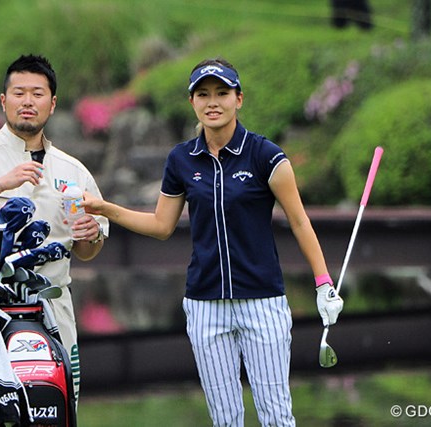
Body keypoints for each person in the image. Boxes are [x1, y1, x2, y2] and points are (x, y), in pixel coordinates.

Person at [82, 58, 343, 426]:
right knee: (225, 418)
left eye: (222, 92)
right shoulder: (181, 160)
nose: (213, 101)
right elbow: (161, 225)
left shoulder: (265, 155)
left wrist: (322, 283)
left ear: (239, 99)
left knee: (276, 415)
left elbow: (300, 221)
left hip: (262, 301)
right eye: (203, 94)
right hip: (205, 305)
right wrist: (106, 209)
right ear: (192, 102)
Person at [0, 54, 108, 418]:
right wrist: (1, 183)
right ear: (3, 100)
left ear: (53, 103)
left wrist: (91, 234)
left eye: (37, 94)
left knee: (55, 411)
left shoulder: (73, 170)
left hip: (52, 312)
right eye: (19, 93)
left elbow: (88, 249)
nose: (28, 102)